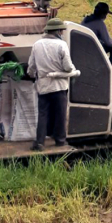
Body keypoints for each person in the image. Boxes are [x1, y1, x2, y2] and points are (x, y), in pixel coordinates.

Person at [27, 18, 78, 151]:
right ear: (57, 31)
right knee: (60, 114)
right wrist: (73, 70)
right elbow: (67, 67)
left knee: (43, 114)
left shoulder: (37, 44)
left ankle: (40, 142)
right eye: (61, 31)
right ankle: (60, 141)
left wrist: (32, 75)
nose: (62, 33)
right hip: (59, 86)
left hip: (43, 86)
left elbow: (31, 67)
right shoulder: (61, 45)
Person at [81, 2, 112, 73]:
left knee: (111, 42)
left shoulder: (86, 19)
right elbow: (109, 42)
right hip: (92, 52)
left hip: (84, 49)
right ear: (103, 14)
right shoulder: (99, 23)